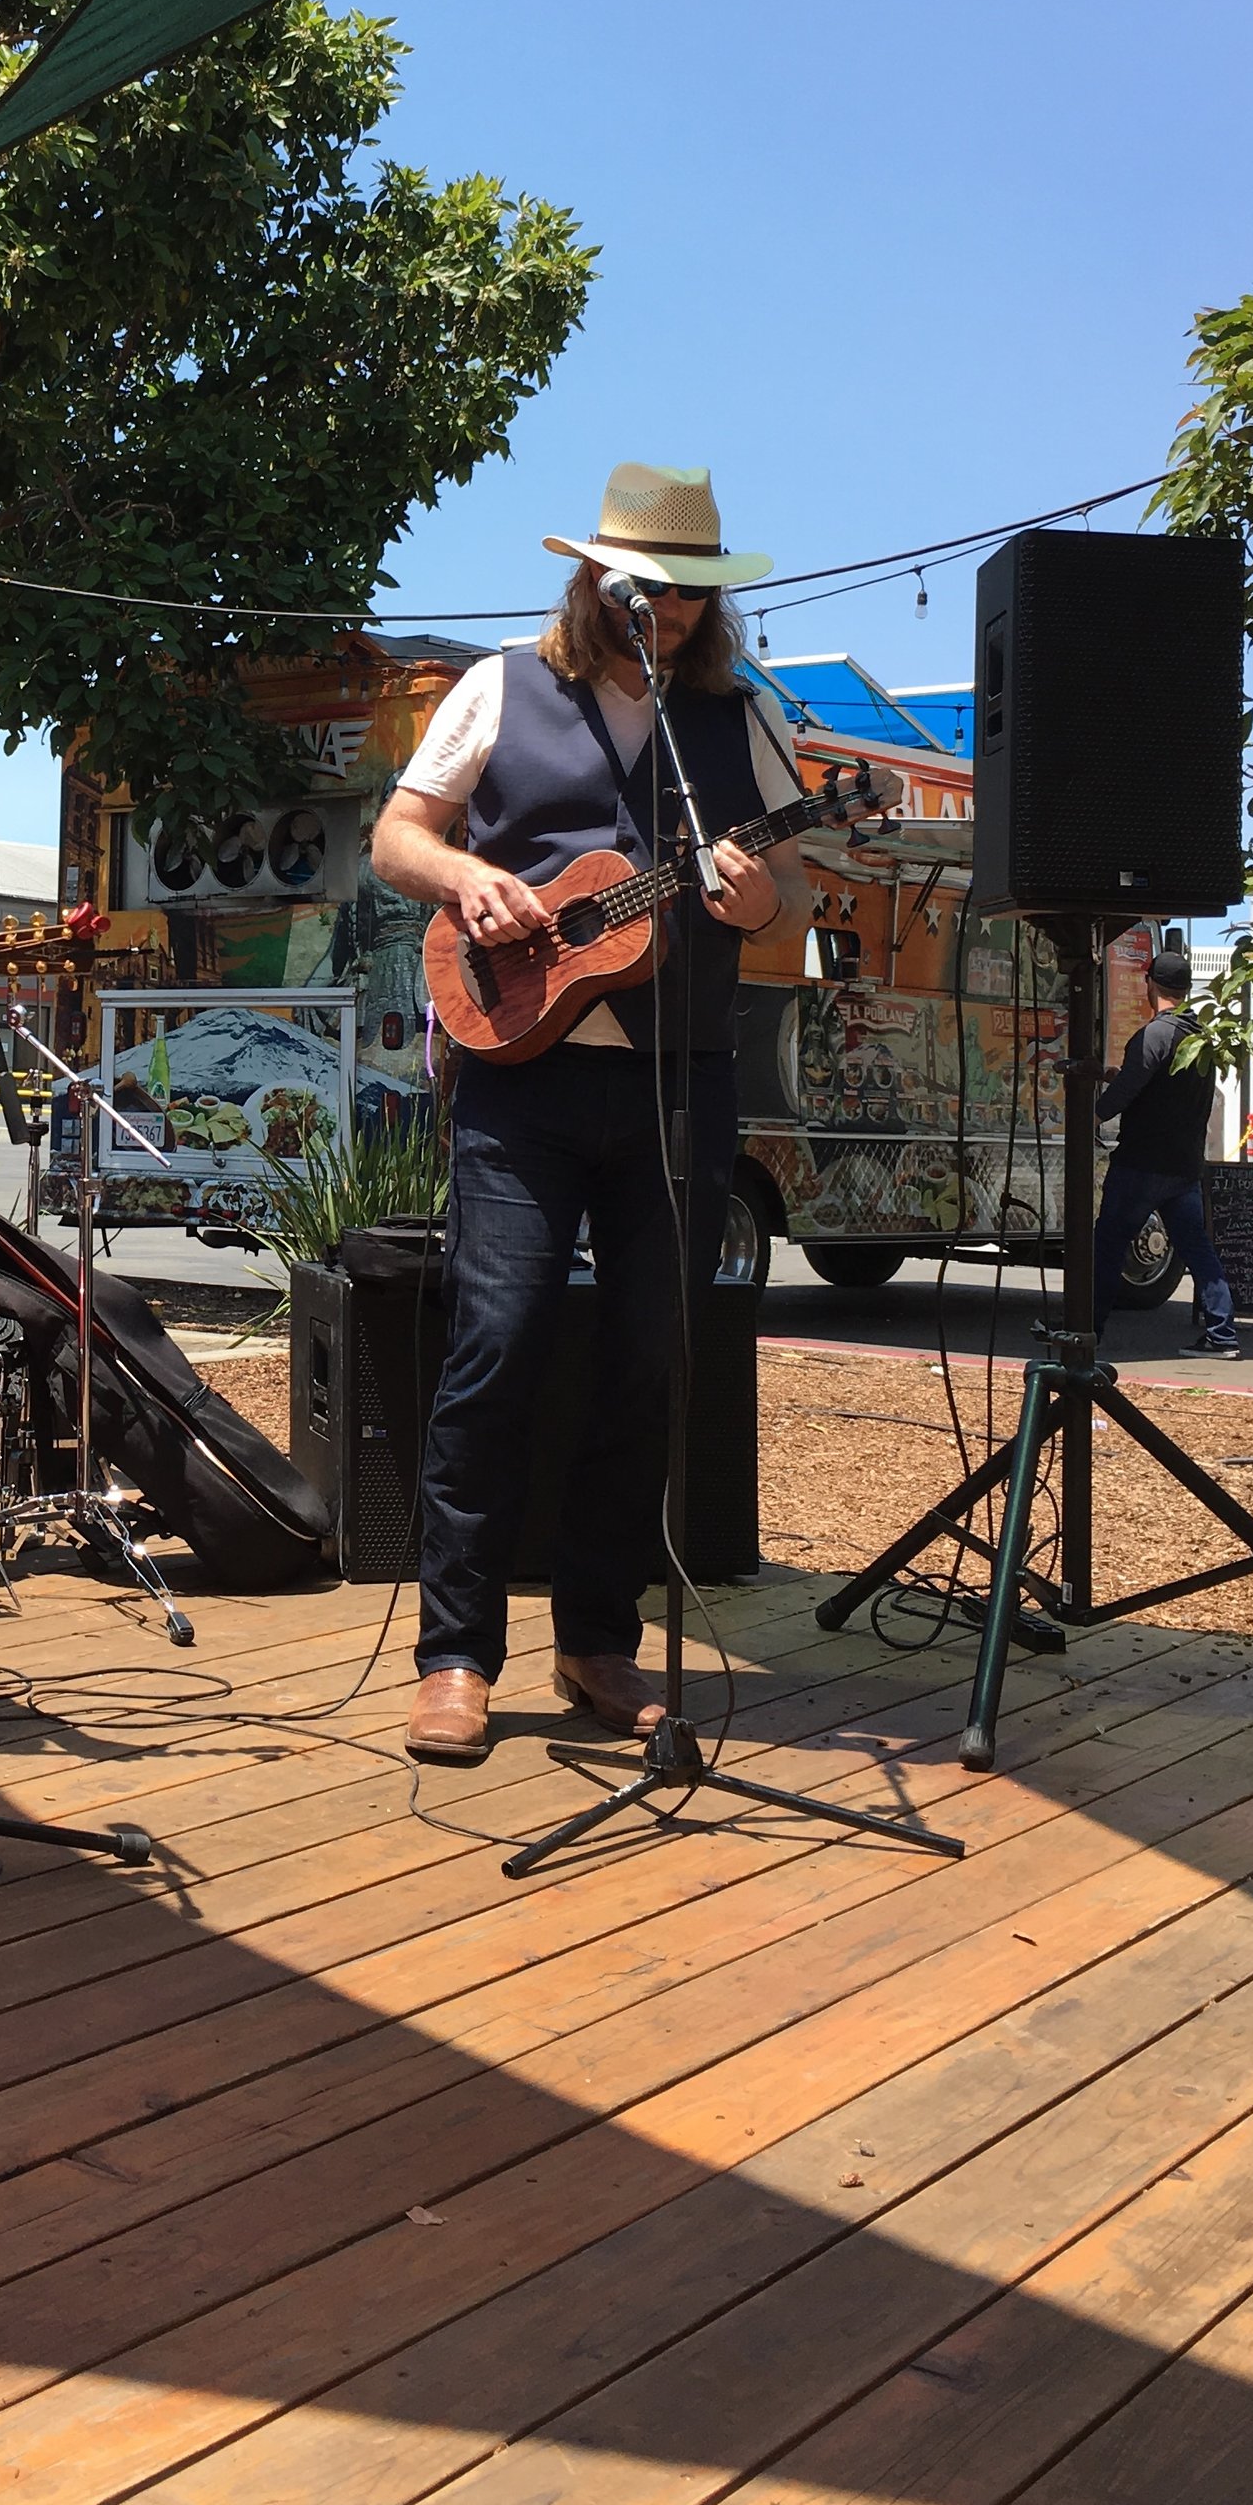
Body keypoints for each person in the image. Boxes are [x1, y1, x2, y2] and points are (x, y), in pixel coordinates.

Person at [369, 462, 811, 1762]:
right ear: (591, 580)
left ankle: (597, 1638)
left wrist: (751, 897)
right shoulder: (500, 686)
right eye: (642, 589)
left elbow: (786, 886)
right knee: (496, 1340)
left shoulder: (741, 714)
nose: (661, 612)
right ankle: (456, 1655)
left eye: (685, 595)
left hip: (679, 1078)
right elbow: (397, 838)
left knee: (648, 1358)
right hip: (522, 1071)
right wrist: (468, 880)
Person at [1093, 946, 1238, 1355]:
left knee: (1108, 1243)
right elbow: (1167, 1089)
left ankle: (1086, 1329)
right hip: (1184, 1166)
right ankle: (1223, 1335)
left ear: (1150, 984)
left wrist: (1091, 1116)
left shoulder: (1155, 1034)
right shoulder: (1201, 1039)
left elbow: (1127, 1091)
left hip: (1142, 1163)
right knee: (1196, 1248)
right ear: (1187, 989)